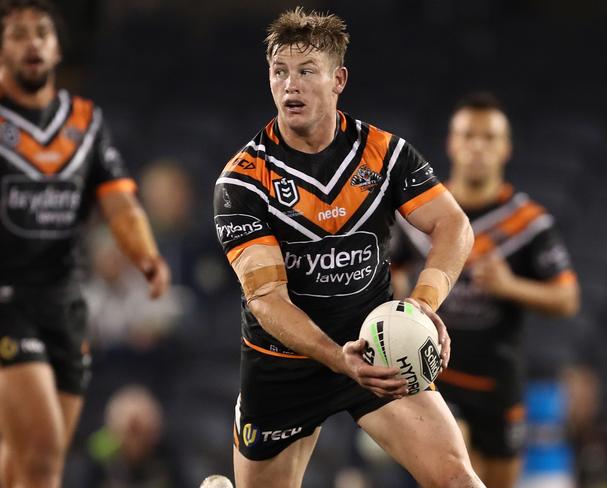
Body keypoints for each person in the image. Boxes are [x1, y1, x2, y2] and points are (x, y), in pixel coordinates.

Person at [213, 7, 485, 488]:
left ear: (338, 79)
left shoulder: (385, 154)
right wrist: (340, 359)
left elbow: (453, 224)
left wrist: (421, 306)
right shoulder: (242, 181)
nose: (290, 85)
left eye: (306, 71)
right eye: (280, 72)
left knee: (459, 480)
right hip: (284, 367)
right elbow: (266, 298)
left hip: (379, 350)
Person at [0, 1, 170, 487]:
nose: (32, 42)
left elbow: (118, 201)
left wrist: (146, 256)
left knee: (28, 454)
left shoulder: (86, 122)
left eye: (42, 33)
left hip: (65, 304)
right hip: (10, 299)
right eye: (18, 34)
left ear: (57, 49)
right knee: (43, 444)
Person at [392, 92, 580, 488]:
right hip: (436, 376)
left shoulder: (529, 223)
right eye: (468, 134)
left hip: (498, 379)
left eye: (489, 137)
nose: (477, 146)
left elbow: (567, 299)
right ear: (451, 142)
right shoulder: (420, 216)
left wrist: (511, 286)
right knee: (456, 472)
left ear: (505, 148)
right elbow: (388, 267)